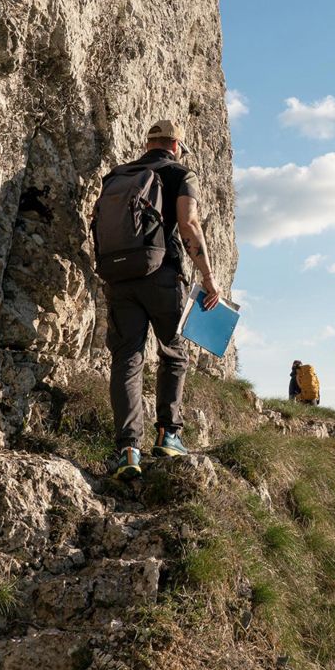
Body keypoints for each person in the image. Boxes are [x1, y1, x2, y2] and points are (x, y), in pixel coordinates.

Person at [102, 119, 222, 481]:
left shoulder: (117, 175)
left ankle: (127, 449)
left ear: (148, 143)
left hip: (120, 277)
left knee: (127, 360)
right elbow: (188, 224)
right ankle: (169, 435)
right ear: (175, 146)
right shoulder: (179, 173)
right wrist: (208, 275)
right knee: (172, 352)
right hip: (162, 275)